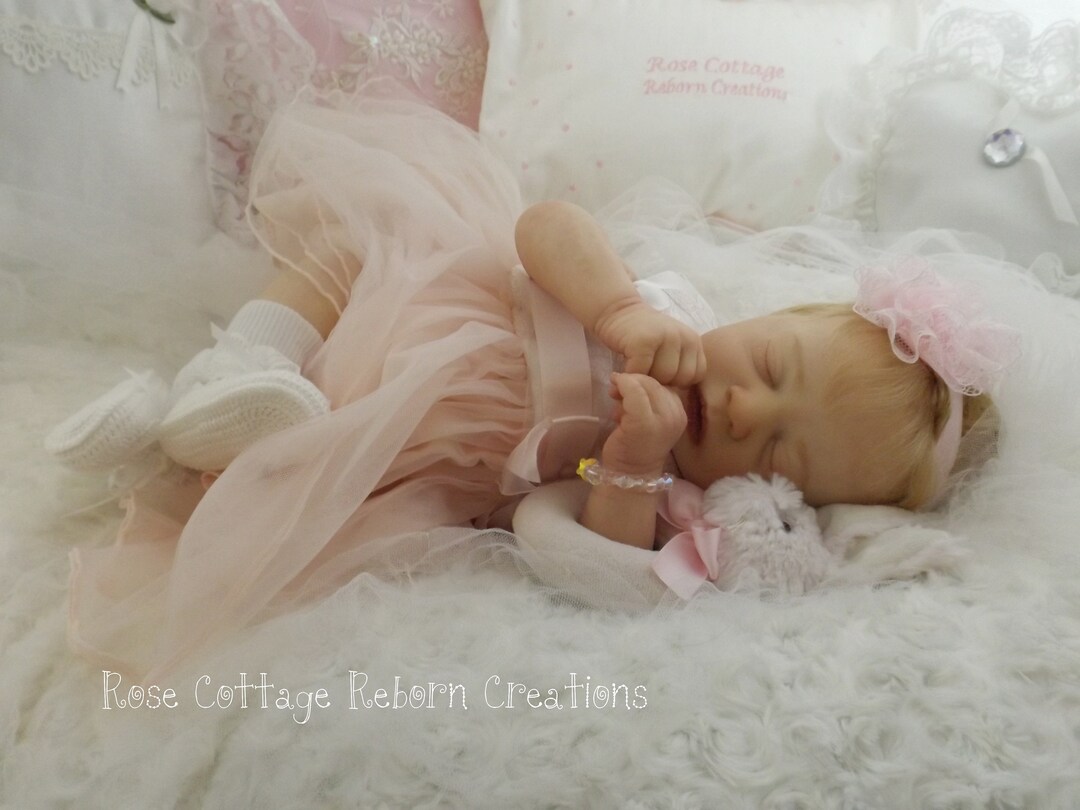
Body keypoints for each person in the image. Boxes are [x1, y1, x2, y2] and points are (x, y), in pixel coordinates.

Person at [45, 93, 1016, 680]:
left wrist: (631, 459)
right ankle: (237, 365)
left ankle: (173, 443)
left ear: (781, 493)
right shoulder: (664, 303)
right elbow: (545, 226)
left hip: (411, 436)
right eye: (769, 368)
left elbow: (588, 557)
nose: (745, 408)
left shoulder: (675, 492)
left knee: (289, 487)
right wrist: (618, 310)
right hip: (426, 303)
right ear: (771, 316)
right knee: (345, 248)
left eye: (775, 448)